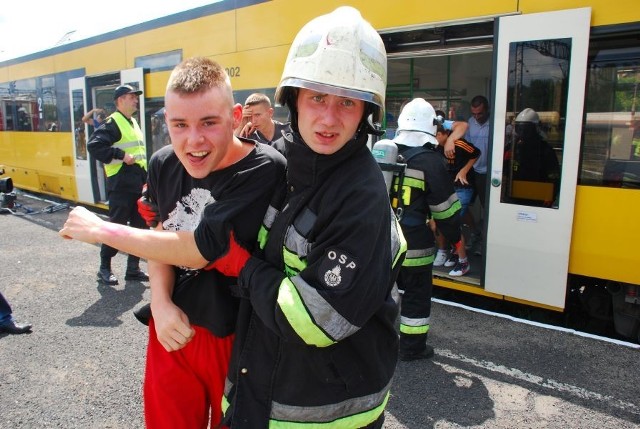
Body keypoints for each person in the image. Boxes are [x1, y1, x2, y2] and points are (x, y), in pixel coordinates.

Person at [59, 57, 286, 428]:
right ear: (165, 121)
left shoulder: (264, 168)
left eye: (209, 123)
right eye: (179, 125)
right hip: (171, 327)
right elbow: (163, 234)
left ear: (235, 116)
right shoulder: (164, 162)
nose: (193, 141)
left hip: (238, 337)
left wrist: (102, 229)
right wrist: (160, 302)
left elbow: (200, 250)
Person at [220, 7, 406, 428]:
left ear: (365, 114)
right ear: (294, 100)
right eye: (318, 97)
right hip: (257, 390)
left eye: (347, 102)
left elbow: (313, 319)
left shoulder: (361, 194)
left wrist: (242, 267)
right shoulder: (276, 163)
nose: (328, 117)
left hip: (320, 412)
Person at [391, 98, 462, 360]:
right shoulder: (431, 162)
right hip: (415, 245)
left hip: (382, 242)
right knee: (416, 295)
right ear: (432, 127)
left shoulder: (384, 152)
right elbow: (446, 211)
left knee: (378, 292)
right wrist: (455, 239)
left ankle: (372, 343)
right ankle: (411, 348)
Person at [87, 85, 149, 285]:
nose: (136, 101)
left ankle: (133, 268)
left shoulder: (132, 122)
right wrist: (120, 155)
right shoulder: (113, 122)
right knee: (116, 227)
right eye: (132, 97)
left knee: (139, 228)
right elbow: (94, 145)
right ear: (120, 100)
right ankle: (104, 268)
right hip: (121, 185)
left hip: (137, 183)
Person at [432, 111, 480, 276]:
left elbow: (476, 153)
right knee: (445, 222)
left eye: (437, 135)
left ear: (444, 133)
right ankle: (453, 252)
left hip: (463, 187)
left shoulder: (458, 143)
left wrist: (464, 171)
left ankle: (463, 262)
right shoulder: (435, 147)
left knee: (452, 222)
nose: (434, 138)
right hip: (448, 188)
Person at [503, 108, 560, 206]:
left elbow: (553, 176)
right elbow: (503, 169)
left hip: (537, 196)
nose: (522, 133)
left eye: (526, 129)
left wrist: (550, 196)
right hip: (513, 195)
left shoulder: (544, 150)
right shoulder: (512, 147)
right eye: (520, 128)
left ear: (535, 128)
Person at [464, 95, 491, 254]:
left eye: (479, 113)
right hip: (472, 170)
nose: (476, 117)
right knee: (463, 205)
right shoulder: (470, 123)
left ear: (486, 110)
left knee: (486, 207)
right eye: (474, 113)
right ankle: (474, 232)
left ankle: (486, 240)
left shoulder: (494, 124)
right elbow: (467, 147)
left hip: (487, 173)